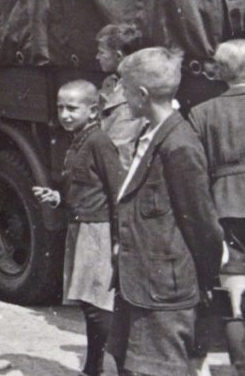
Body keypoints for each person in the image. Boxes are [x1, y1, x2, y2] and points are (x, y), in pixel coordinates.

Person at [108, 47, 223, 375]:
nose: (122, 98)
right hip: (140, 286)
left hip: (164, 294)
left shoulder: (179, 145)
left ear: (142, 95)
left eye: (125, 90)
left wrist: (199, 281)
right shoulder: (149, 134)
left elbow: (203, 226)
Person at [33, 80, 123, 376]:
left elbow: (116, 191)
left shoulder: (99, 142)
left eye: (72, 108)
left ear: (93, 110)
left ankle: (118, 366)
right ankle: (94, 367)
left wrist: (117, 239)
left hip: (96, 231)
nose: (65, 114)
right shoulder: (76, 140)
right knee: (89, 302)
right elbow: (82, 187)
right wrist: (58, 197)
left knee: (98, 305)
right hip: (80, 228)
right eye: (60, 107)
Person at [188, 39, 245, 375]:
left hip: (226, 206)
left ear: (220, 72)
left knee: (236, 297)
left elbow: (195, 169)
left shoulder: (202, 113)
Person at [96, 23, 147, 170]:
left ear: (118, 56)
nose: (97, 57)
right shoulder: (112, 82)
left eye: (102, 52)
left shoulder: (131, 98)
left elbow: (122, 156)